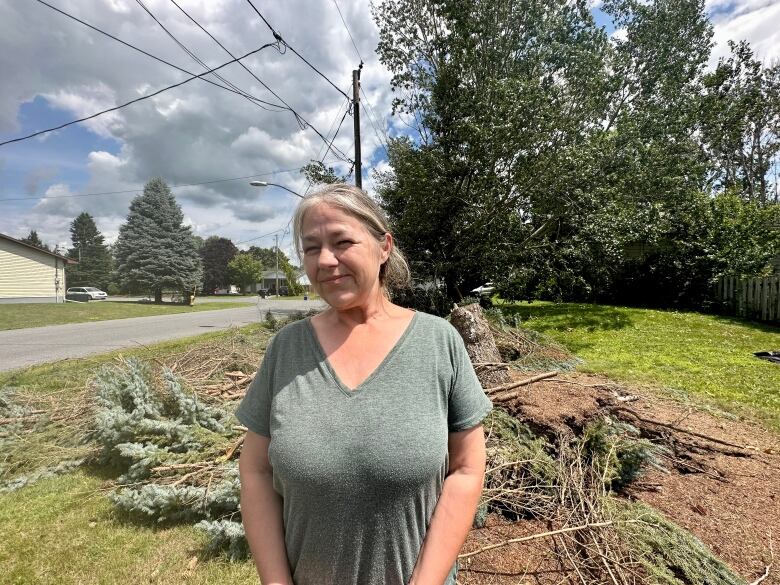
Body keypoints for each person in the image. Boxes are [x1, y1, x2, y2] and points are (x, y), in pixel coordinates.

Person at [236, 183, 493, 585]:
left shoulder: (438, 342)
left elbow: (466, 468)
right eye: (310, 247)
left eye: (342, 241)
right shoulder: (286, 349)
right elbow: (254, 470)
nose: (325, 260)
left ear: (384, 246)